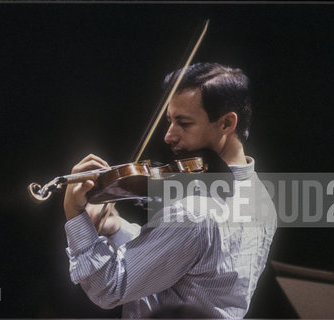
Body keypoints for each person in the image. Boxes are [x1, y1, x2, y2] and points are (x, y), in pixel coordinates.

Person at [62, 62, 277, 318]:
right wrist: (117, 229)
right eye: (169, 121)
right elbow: (179, 262)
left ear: (226, 123)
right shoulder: (262, 197)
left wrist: (74, 215)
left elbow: (109, 288)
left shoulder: (193, 212)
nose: (168, 136)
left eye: (183, 123)